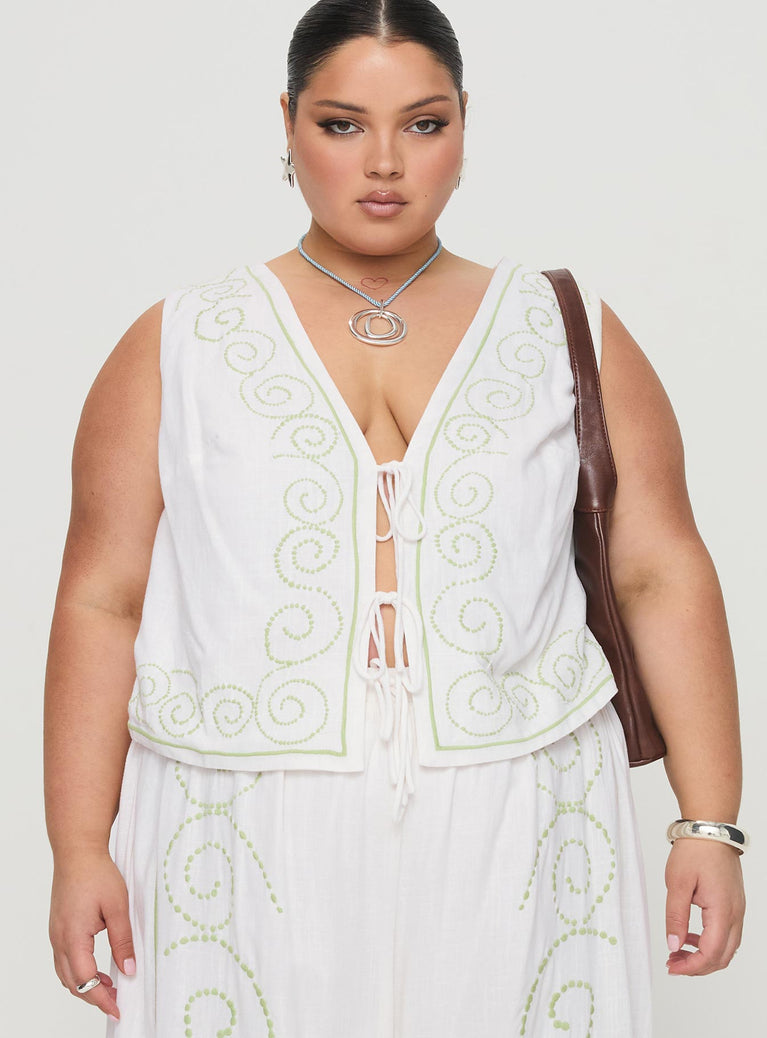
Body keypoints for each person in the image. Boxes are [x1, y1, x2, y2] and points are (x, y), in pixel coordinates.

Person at [44, 1, 746, 1035]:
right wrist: (78, 848)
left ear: (464, 123)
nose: (383, 163)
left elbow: (658, 570)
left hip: (522, 809)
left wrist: (708, 824)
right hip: (237, 818)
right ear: (287, 123)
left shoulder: (564, 328)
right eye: (341, 124)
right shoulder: (178, 342)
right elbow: (103, 599)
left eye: (422, 123)